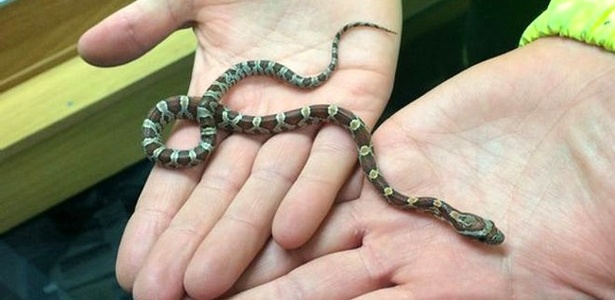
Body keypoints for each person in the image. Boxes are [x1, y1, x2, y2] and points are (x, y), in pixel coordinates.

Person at [79, 0, 615, 299]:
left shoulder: (419, 203)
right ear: (465, 223)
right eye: (487, 230)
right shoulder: (423, 201)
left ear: (464, 224)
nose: (489, 234)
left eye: (485, 233)